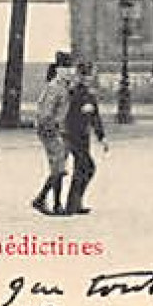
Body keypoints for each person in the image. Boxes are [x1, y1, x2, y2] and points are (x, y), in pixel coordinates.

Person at [62, 62, 108, 215]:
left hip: (83, 135)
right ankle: (72, 203)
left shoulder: (89, 94)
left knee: (82, 168)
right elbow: (65, 113)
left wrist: (101, 137)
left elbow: (95, 117)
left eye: (90, 75)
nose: (89, 78)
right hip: (73, 135)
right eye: (86, 75)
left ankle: (75, 202)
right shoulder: (73, 93)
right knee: (86, 167)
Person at [31, 54, 74, 215]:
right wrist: (52, 129)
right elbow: (46, 113)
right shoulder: (55, 87)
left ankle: (43, 200)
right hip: (51, 130)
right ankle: (53, 203)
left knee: (60, 167)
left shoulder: (64, 87)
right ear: (58, 70)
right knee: (58, 167)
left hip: (60, 131)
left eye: (70, 68)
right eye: (66, 68)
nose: (70, 72)